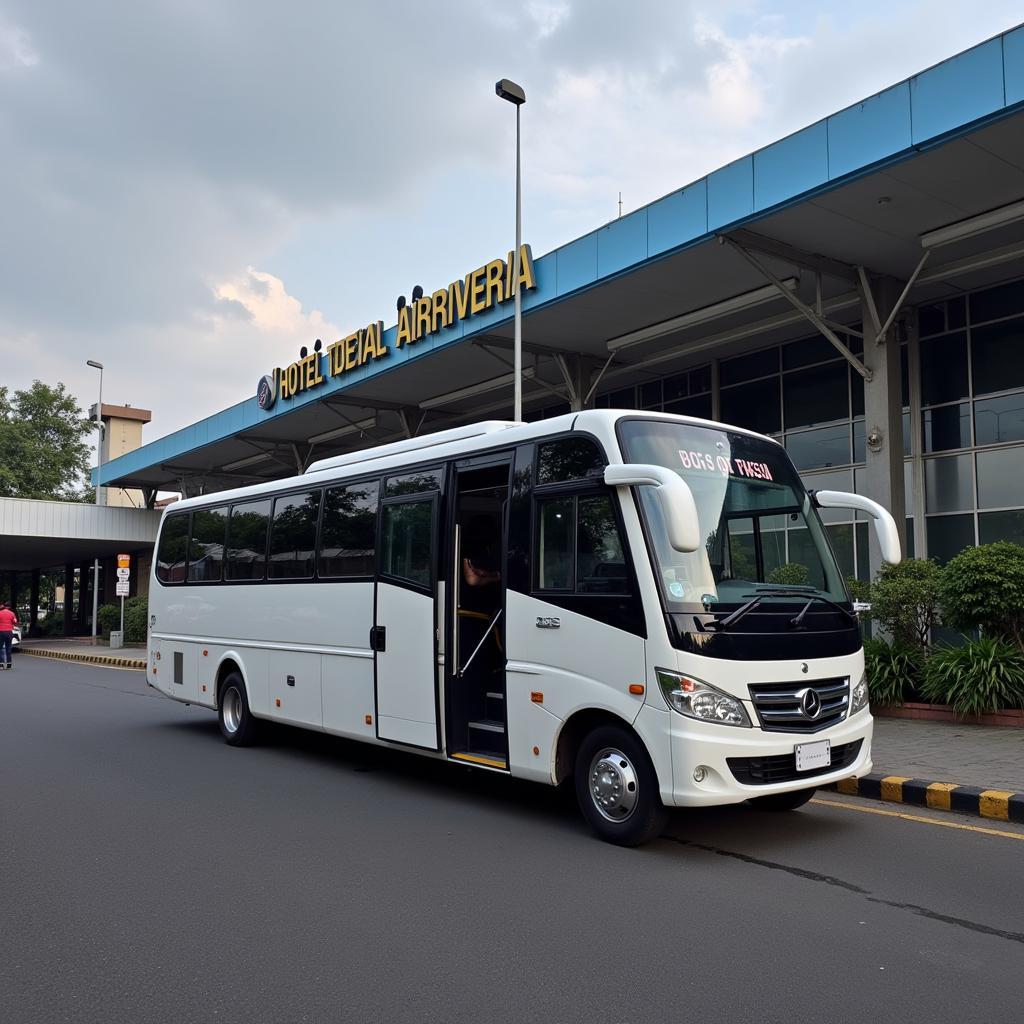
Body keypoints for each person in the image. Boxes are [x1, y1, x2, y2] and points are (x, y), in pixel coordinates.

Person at [0, 601, 18, 671]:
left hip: (1, 632)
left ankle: (1, 664)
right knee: (8, 648)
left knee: (0, 648)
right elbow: (15, 622)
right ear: (9, 607)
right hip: (9, 632)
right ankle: (9, 665)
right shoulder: (12, 613)